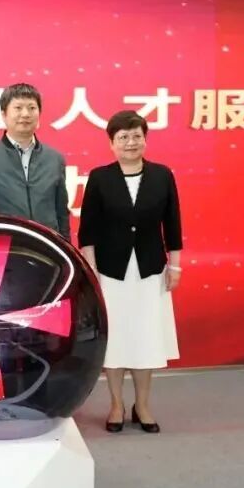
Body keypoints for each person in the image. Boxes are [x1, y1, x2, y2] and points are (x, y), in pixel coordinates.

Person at [77, 110, 183, 434]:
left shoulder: (162, 175)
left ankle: (143, 405)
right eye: (123, 137)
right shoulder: (100, 178)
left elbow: (173, 224)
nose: (130, 142)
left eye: (136, 136)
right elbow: (87, 230)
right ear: (112, 143)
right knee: (117, 339)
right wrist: (91, 270)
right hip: (111, 271)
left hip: (150, 269)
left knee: (146, 336)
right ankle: (116, 404)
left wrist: (175, 264)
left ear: (145, 139)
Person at [0, 83, 71, 240]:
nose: (25, 114)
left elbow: (61, 212)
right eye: (18, 108)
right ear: (4, 114)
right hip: (3, 248)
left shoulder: (55, 159)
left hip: (46, 247)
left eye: (31, 108)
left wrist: (65, 247)